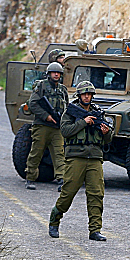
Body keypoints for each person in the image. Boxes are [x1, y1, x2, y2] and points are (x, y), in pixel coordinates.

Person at [49, 81, 114, 241]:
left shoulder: (98, 113)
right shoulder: (71, 112)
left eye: (89, 94)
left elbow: (108, 139)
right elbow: (65, 131)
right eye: (84, 94)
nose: (87, 96)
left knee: (96, 194)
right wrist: (83, 122)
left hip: (95, 159)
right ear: (79, 95)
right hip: (75, 158)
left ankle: (95, 230)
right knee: (68, 193)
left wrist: (106, 133)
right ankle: (54, 221)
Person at [25, 62, 68, 190]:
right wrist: (46, 116)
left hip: (57, 127)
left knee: (59, 153)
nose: (56, 75)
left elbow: (66, 106)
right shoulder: (41, 86)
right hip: (42, 125)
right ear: (49, 74)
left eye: (58, 73)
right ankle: (30, 177)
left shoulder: (62, 89)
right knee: (36, 152)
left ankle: (61, 179)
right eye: (54, 72)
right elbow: (33, 104)